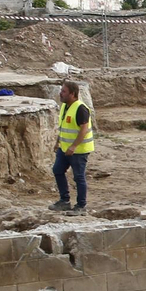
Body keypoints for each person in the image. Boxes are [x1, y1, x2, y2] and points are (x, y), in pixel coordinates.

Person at [51, 79, 94, 212]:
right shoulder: (65, 106)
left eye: (64, 91)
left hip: (79, 150)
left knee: (78, 176)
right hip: (64, 148)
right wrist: (58, 142)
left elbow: (84, 129)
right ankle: (64, 200)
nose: (61, 94)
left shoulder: (80, 109)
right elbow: (64, 126)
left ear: (73, 94)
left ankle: (81, 205)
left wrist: (74, 146)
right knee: (57, 170)